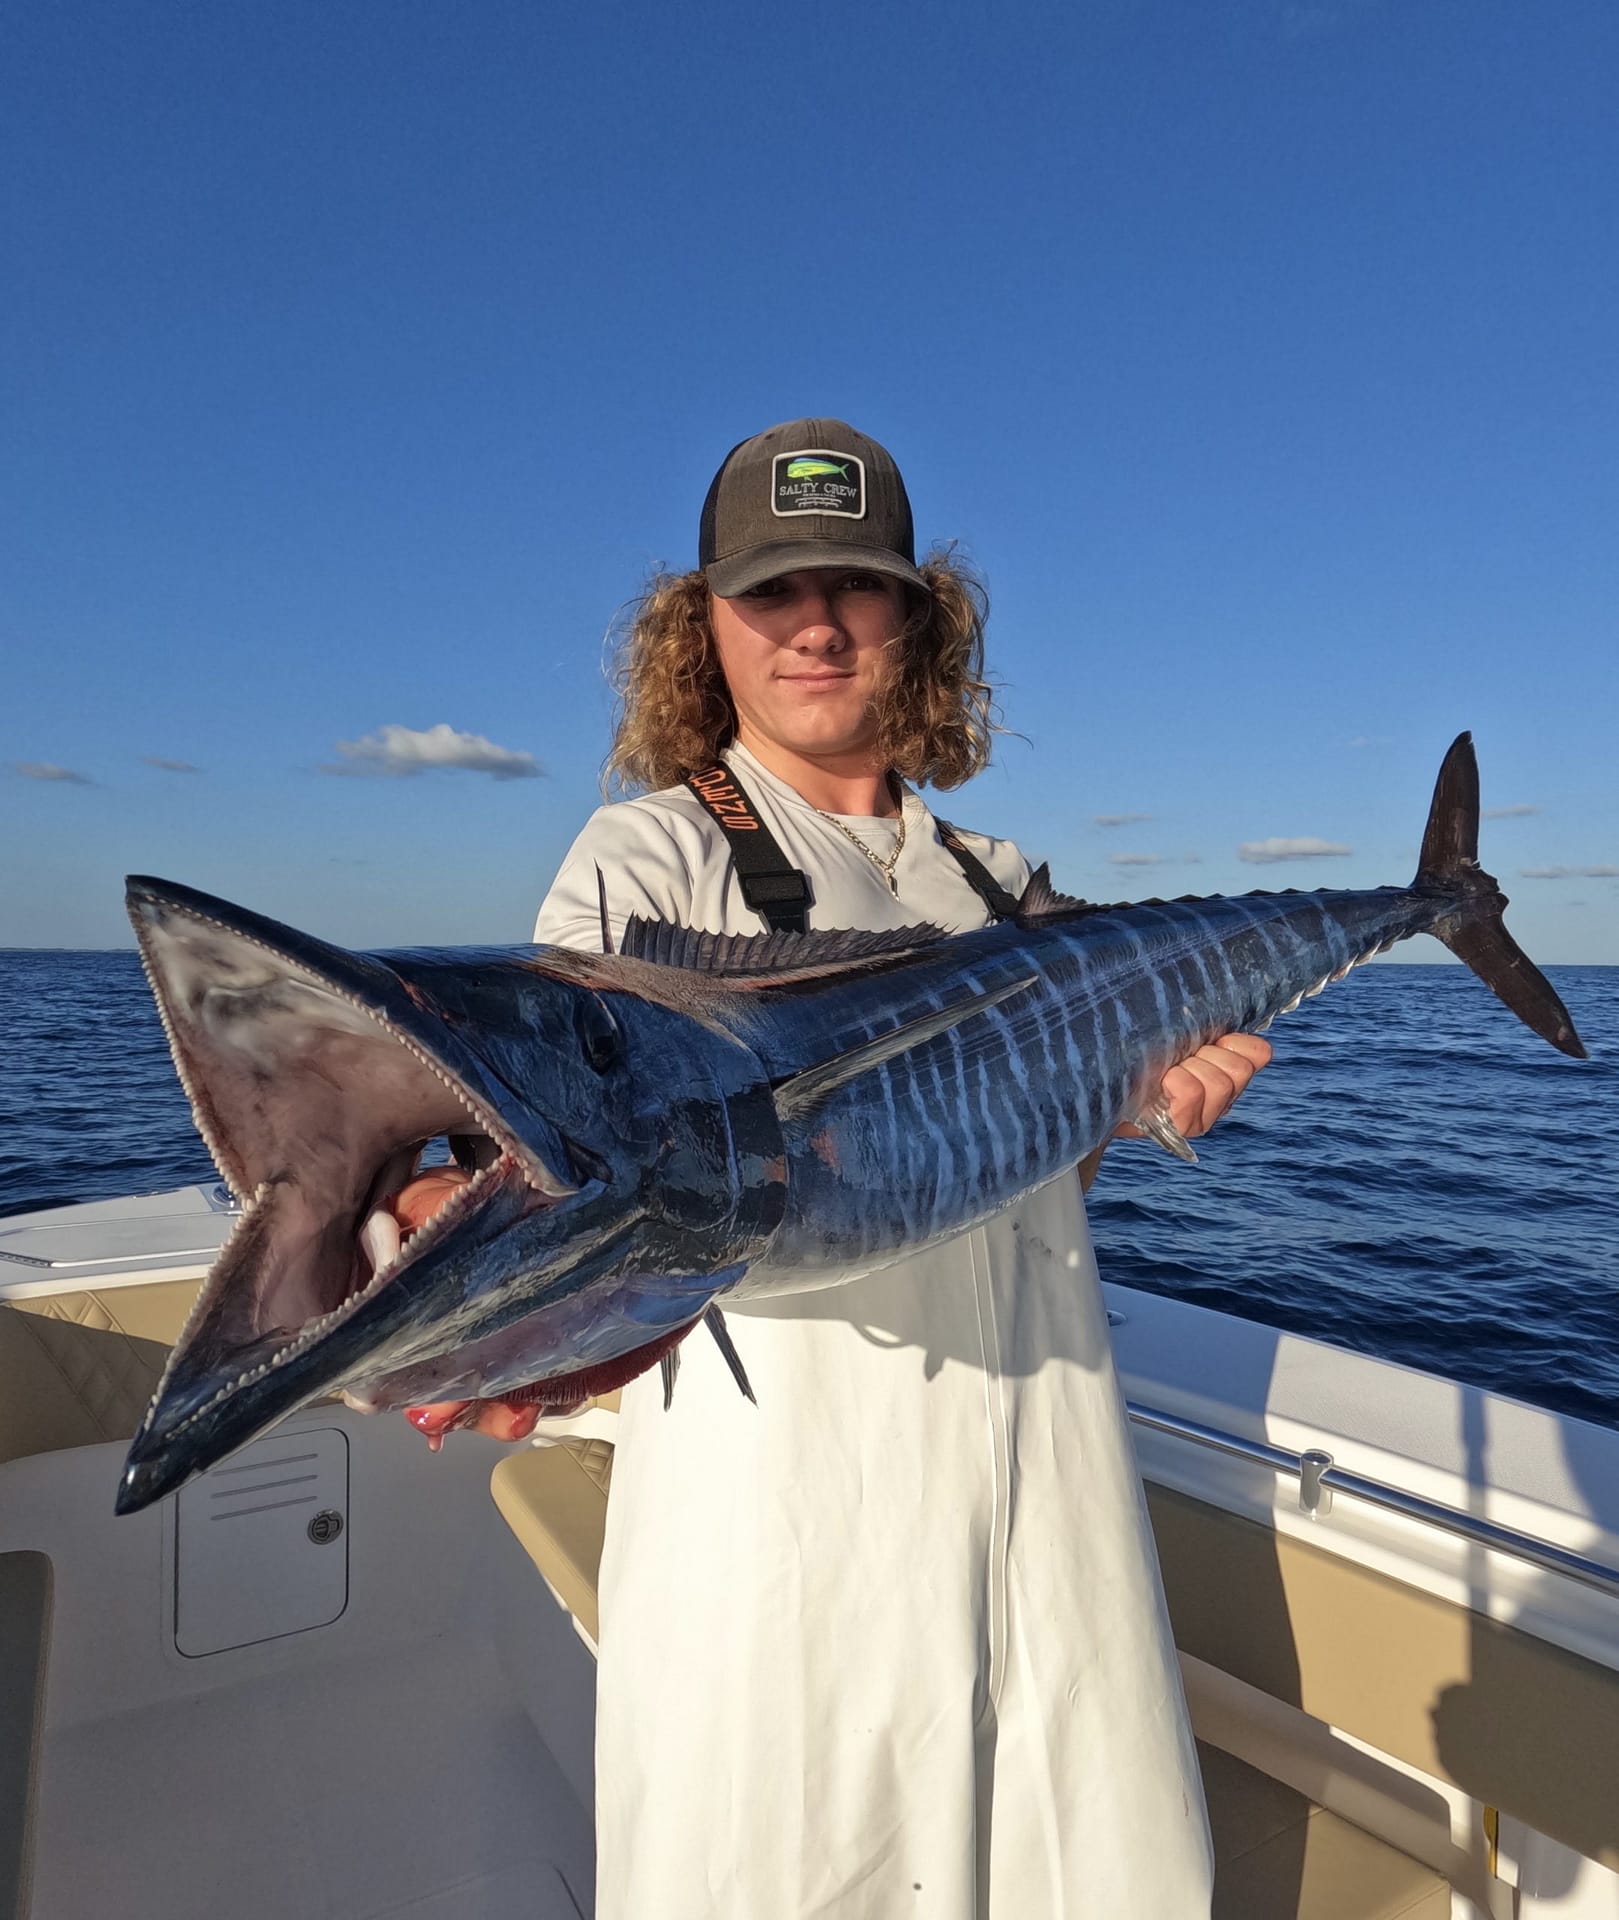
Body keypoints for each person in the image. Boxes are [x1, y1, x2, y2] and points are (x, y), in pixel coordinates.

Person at [530, 419, 1269, 1917]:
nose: (815, 625)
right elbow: (557, 1148)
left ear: (913, 622)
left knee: (1079, 1858)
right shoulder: (642, 863)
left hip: (1045, 1458)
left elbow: (1048, 1166)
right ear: (706, 624)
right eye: (771, 592)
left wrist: (1150, 1107)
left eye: (856, 590)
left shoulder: (1005, 886)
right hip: (783, 1512)